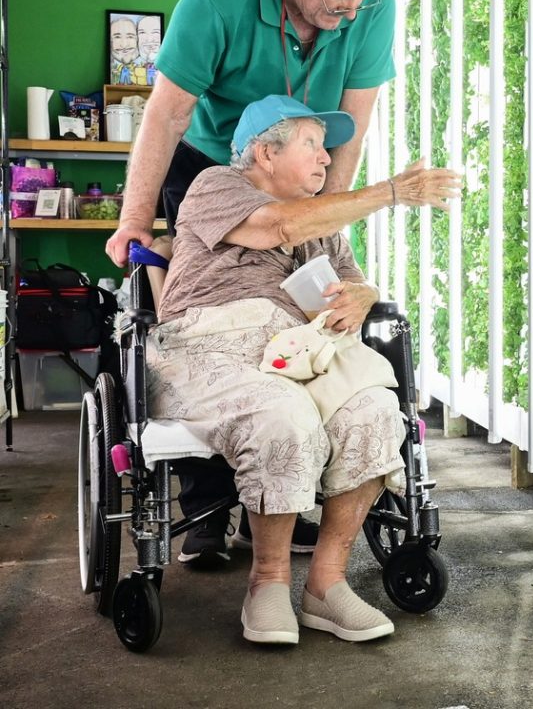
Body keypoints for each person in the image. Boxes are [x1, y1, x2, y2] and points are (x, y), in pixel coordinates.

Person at [105, 0, 398, 566]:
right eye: (338, 1)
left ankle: (286, 496)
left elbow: (352, 127)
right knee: (205, 313)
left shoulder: (369, 3)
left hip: (301, 157)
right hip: (214, 159)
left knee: (299, 315)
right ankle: (207, 509)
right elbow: (167, 112)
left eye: (360, 1)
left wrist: (324, 219)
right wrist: (135, 218)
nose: (352, 14)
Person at [147, 95, 460, 644]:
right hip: (212, 344)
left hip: (300, 350)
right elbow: (276, 228)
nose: (326, 157)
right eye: (311, 144)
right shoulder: (215, 185)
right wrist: (389, 192)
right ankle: (267, 583)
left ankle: (326, 584)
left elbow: (352, 279)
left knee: (375, 410)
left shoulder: (323, 222)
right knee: (282, 415)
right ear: (265, 154)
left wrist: (364, 295)